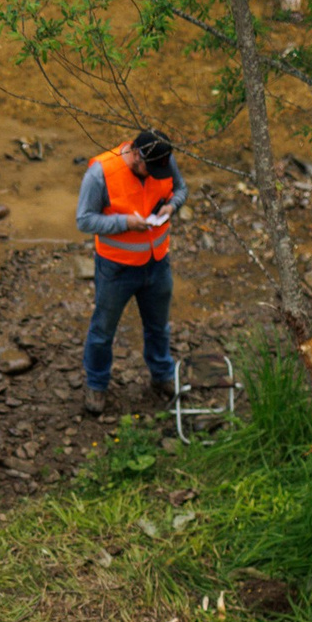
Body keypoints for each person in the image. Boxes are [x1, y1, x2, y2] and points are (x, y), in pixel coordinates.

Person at [76, 127, 186, 417]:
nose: (154, 175)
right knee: (102, 331)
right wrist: (125, 222)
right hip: (116, 268)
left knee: (158, 326)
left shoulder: (161, 159)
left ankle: (162, 375)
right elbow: (84, 221)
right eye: (148, 169)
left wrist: (172, 207)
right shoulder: (100, 173)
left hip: (157, 262)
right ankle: (97, 384)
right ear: (136, 154)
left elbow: (181, 189)